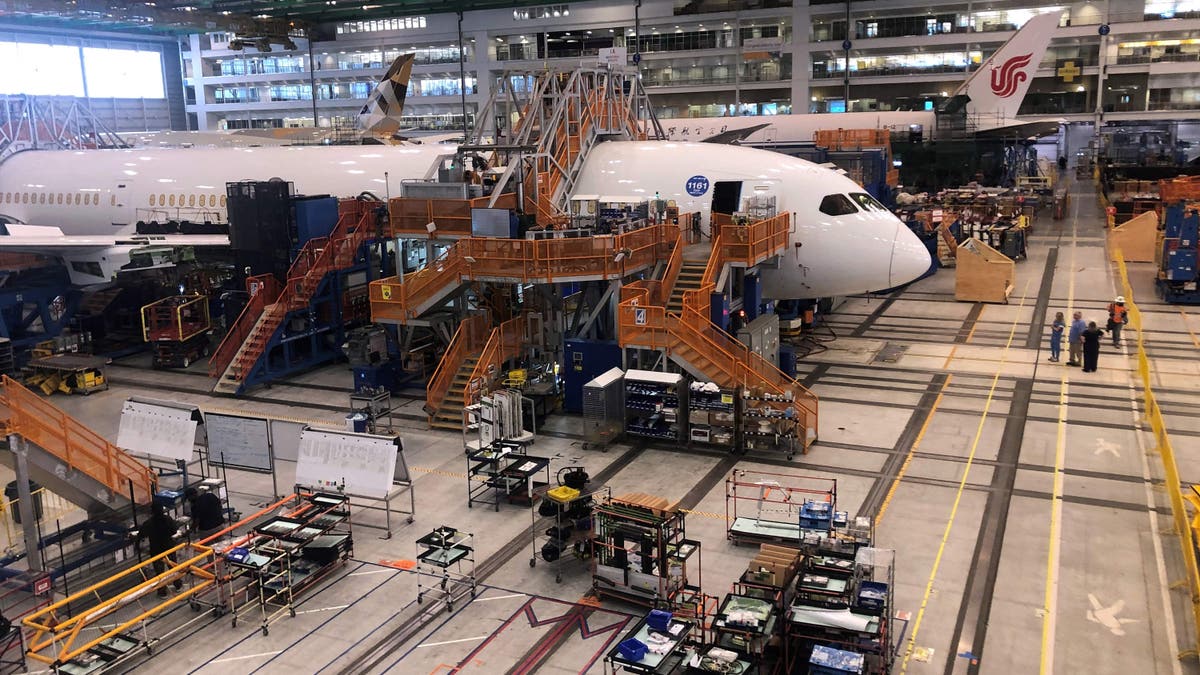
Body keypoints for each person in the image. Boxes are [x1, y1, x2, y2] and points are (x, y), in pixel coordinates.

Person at [143, 503, 182, 597]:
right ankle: (178, 585)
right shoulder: (168, 519)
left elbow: (142, 534)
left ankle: (162, 592)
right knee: (173, 567)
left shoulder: (149, 523)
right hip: (169, 547)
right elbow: (174, 531)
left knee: (160, 572)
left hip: (156, 550)